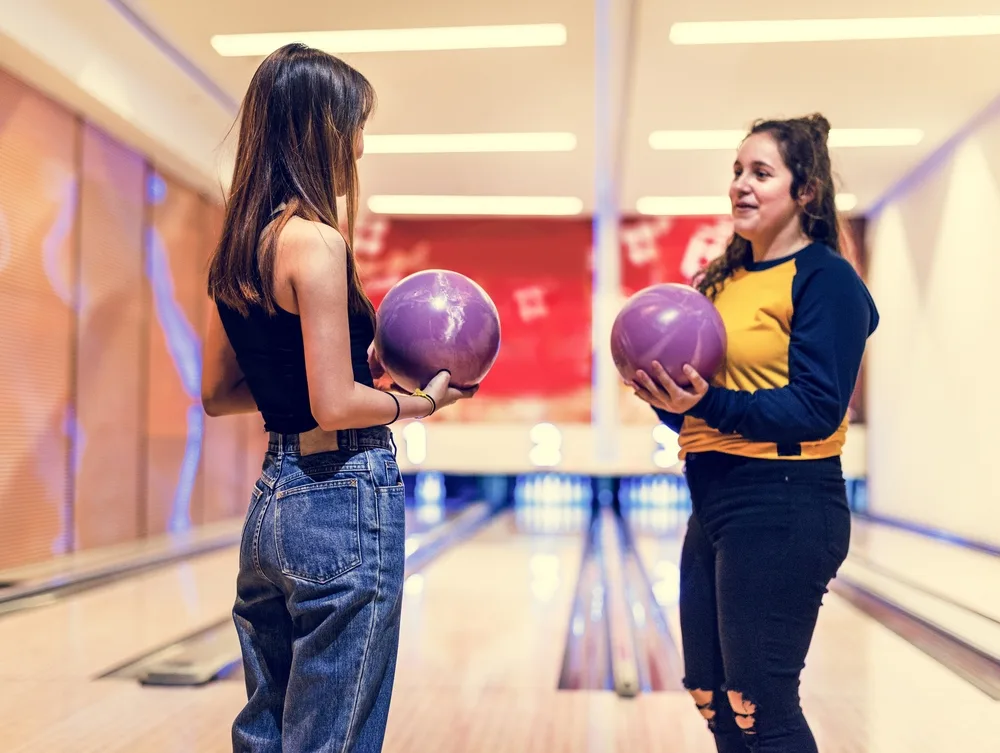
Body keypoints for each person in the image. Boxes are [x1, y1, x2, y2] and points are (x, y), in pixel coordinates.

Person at [200, 44, 475, 753]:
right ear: (322, 128)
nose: (360, 143)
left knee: (267, 731)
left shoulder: (238, 247)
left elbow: (221, 392)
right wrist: (421, 403)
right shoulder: (318, 243)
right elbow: (333, 406)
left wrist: (350, 375)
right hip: (340, 496)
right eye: (356, 124)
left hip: (272, 504)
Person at [628, 114, 879, 753]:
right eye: (736, 171)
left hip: (787, 502)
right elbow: (700, 412)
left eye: (761, 172)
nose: (740, 184)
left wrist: (709, 400)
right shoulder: (718, 281)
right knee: (713, 698)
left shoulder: (826, 280)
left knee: (759, 707)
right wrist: (667, 399)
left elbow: (817, 407)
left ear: (806, 193)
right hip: (712, 501)